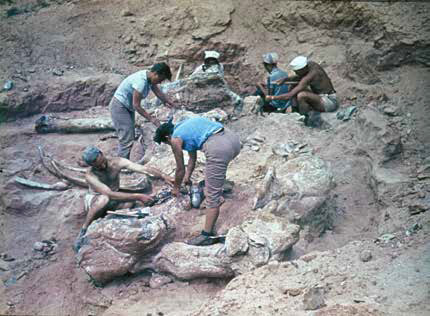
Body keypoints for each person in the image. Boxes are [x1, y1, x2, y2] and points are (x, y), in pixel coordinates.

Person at [153, 117, 241, 246]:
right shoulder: (184, 127)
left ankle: (206, 235)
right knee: (215, 173)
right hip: (233, 140)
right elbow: (192, 158)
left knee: (212, 196)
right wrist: (187, 177)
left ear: (167, 137)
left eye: (167, 143)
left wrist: (176, 188)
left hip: (218, 147)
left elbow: (179, 169)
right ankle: (220, 182)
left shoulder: (175, 139)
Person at [73, 146, 174, 252]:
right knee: (104, 199)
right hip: (96, 200)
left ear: (102, 154)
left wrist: (163, 175)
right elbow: (109, 194)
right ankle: (84, 229)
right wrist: (138, 196)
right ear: (92, 165)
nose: (102, 166)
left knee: (129, 203)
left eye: (103, 162)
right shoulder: (90, 175)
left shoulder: (117, 162)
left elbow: (143, 169)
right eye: (98, 166)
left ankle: (108, 221)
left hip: (113, 197)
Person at [110, 62, 178, 160]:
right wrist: (152, 119)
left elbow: (156, 90)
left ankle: (124, 161)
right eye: (160, 80)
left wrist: (166, 101)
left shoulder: (148, 77)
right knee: (127, 137)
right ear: (155, 74)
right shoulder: (141, 82)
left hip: (127, 106)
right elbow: (136, 105)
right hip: (119, 106)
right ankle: (121, 164)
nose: (160, 82)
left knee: (129, 134)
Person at [266, 56, 338, 124]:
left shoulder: (310, 76)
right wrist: (285, 79)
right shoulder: (311, 65)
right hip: (322, 97)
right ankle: (295, 112)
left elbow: (289, 95)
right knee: (294, 86)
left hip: (329, 102)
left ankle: (305, 119)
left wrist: (272, 97)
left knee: (302, 95)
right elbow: (300, 76)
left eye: (297, 71)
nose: (295, 73)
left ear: (302, 69)